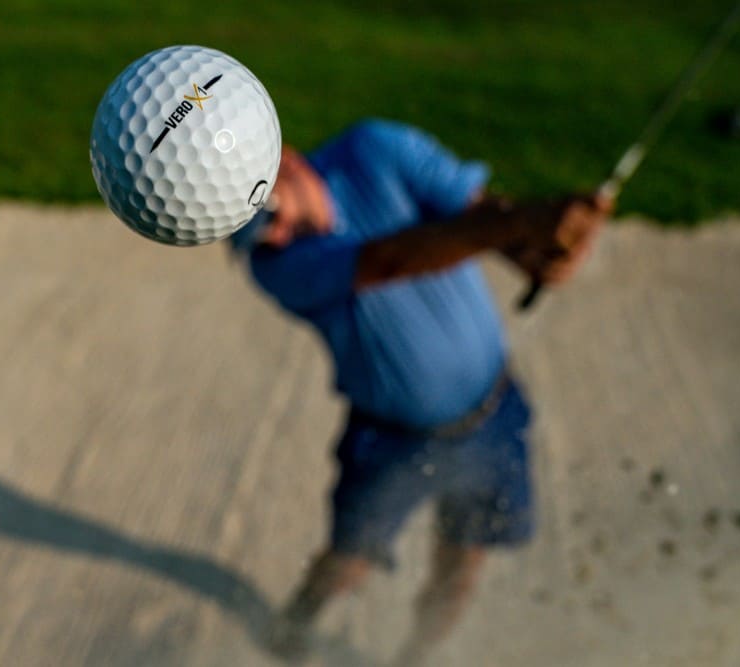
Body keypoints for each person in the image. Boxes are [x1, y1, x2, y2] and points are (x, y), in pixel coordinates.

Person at [229, 119, 610, 666]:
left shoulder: (376, 148)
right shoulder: (276, 268)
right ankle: (296, 624)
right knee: (349, 561)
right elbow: (391, 260)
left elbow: (481, 218)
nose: (274, 238)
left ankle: (415, 658)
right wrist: (522, 224)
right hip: (390, 438)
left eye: (266, 218)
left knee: (461, 568)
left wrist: (542, 248)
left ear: (282, 159)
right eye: (255, 237)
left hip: (493, 412)